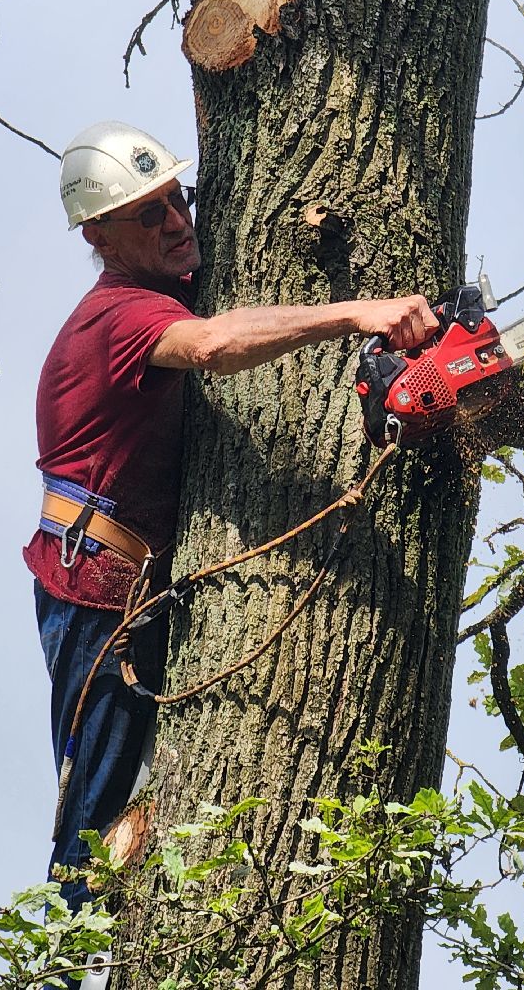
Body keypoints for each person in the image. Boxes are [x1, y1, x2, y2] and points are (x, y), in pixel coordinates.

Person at [26, 121, 438, 909]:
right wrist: (360, 313)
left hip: (139, 584)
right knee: (97, 823)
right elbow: (215, 345)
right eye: (149, 215)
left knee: (141, 820)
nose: (178, 222)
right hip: (95, 596)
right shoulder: (115, 315)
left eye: (177, 199)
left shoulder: (160, 283)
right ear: (99, 235)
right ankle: (58, 958)